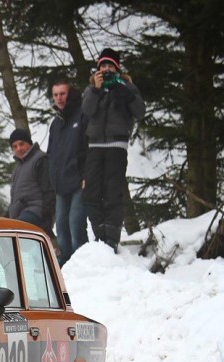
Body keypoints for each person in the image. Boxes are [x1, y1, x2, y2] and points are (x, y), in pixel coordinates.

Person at [81, 47, 145, 252]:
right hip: (95, 146)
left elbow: (140, 112)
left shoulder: (127, 86)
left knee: (112, 193)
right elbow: (87, 111)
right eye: (103, 66)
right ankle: (100, 236)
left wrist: (125, 93)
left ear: (117, 68)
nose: (106, 69)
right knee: (91, 194)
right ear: (98, 69)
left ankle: (112, 239)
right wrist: (96, 90)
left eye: (110, 66)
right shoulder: (91, 88)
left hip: (117, 146)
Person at [48, 77, 88, 266]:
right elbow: (51, 154)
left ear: (69, 93)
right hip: (60, 183)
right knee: (61, 226)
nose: (59, 98)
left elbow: (90, 147)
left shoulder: (82, 114)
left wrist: (87, 174)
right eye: (55, 95)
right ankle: (66, 263)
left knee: (75, 223)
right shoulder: (55, 124)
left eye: (62, 93)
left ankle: (82, 262)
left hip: (79, 179)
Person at [8, 128, 54, 233]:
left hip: (35, 211)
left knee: (15, 232)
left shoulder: (40, 160)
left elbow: (49, 191)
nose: (19, 149)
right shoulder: (18, 168)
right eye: (15, 146)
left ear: (29, 143)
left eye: (21, 144)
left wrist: (46, 219)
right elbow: (16, 198)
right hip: (19, 215)